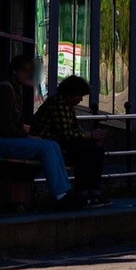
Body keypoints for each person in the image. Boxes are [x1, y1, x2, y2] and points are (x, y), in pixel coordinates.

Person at [0, 55, 73, 206]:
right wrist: (27, 136)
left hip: (1, 138)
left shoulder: (14, 90)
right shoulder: (5, 90)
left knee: (53, 145)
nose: (28, 74)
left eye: (30, 71)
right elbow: (5, 127)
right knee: (47, 147)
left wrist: (26, 132)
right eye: (24, 70)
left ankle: (66, 191)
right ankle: (61, 194)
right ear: (15, 70)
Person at [31, 75, 110, 208]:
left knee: (96, 148)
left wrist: (91, 137)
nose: (81, 99)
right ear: (71, 93)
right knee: (86, 149)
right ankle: (83, 192)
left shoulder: (67, 107)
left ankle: (93, 191)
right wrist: (91, 135)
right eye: (79, 95)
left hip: (60, 144)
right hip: (51, 145)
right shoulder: (58, 104)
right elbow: (66, 133)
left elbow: (74, 130)